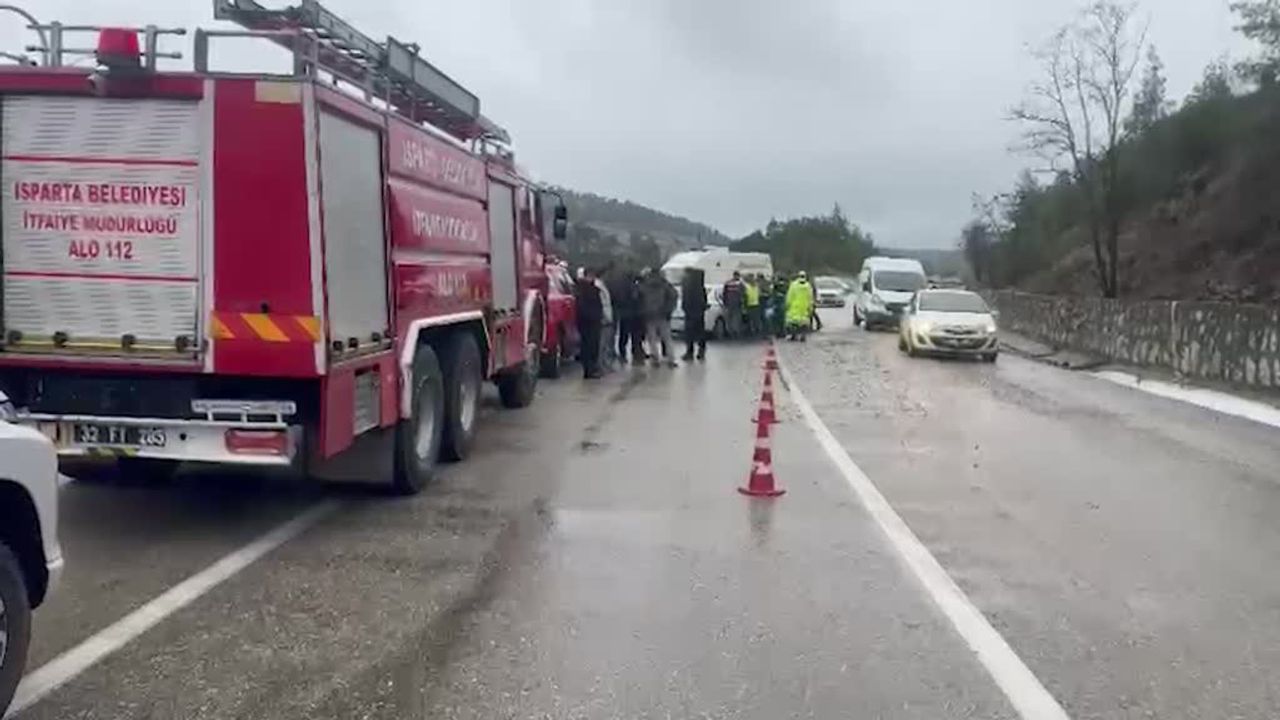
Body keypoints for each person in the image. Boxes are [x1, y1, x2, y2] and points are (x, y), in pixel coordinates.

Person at [640, 267, 679, 367]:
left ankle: (655, 359)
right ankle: (671, 359)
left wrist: (643, 309)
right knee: (667, 338)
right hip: (663, 314)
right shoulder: (664, 284)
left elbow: (638, 296)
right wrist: (669, 309)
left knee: (652, 339)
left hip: (649, 315)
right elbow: (674, 295)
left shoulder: (645, 285)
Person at [574, 267, 604, 378]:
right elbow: (583, 306)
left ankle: (591, 369)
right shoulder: (585, 289)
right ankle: (590, 369)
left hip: (590, 321)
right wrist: (594, 316)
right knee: (590, 346)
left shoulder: (587, 288)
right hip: (589, 322)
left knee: (591, 346)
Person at [680, 268, 709, 361]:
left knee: (689, 333)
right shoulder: (700, 285)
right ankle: (701, 351)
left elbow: (686, 298)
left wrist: (684, 307)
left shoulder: (687, 285)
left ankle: (690, 352)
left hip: (690, 311)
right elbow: (704, 299)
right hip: (698, 311)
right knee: (700, 332)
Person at [594, 268, 615, 372]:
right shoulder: (598, 286)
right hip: (604, 318)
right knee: (602, 344)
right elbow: (602, 304)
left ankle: (603, 364)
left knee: (605, 343)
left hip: (606, 317)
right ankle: (600, 365)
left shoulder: (601, 285)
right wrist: (606, 317)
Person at [785, 271, 815, 342]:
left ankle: (794, 336)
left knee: (793, 323)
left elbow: (790, 295)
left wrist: (787, 304)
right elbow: (810, 297)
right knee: (803, 323)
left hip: (794, 307)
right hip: (804, 307)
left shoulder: (794, 285)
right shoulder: (808, 286)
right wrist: (810, 307)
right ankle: (803, 336)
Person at [722, 271, 745, 338]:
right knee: (736, 319)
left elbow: (724, 294)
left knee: (730, 318)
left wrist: (725, 302)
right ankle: (736, 332)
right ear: (738, 276)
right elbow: (743, 294)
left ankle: (730, 332)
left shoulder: (728, 283)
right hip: (737, 304)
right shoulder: (740, 284)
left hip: (729, 303)